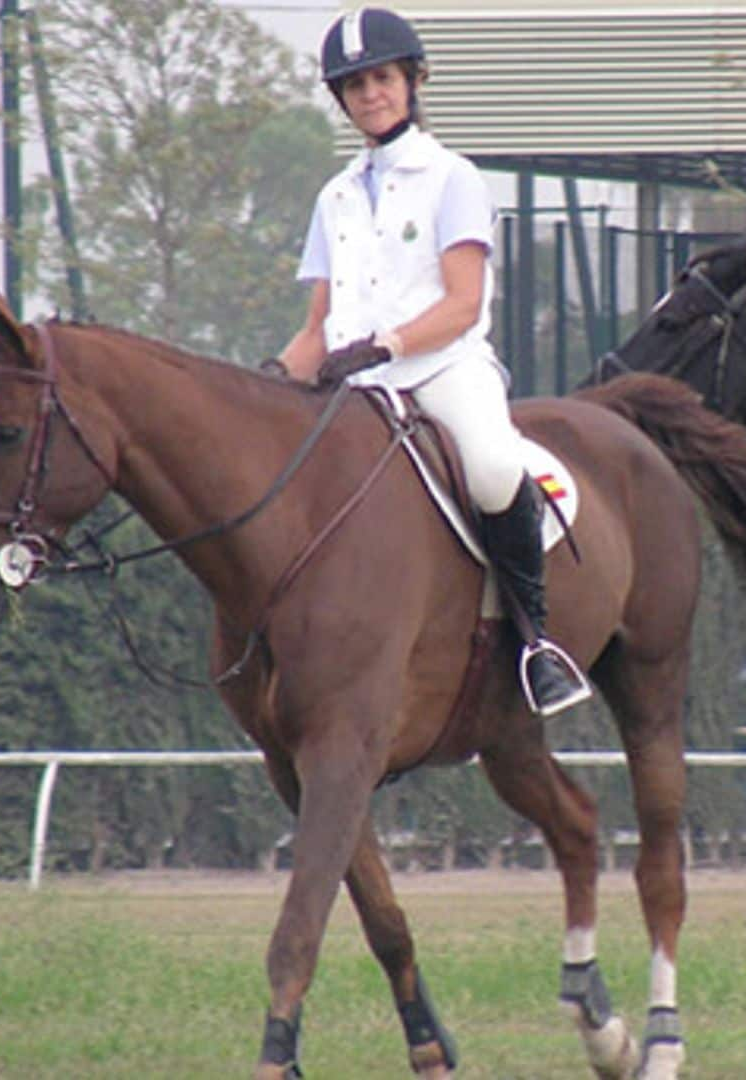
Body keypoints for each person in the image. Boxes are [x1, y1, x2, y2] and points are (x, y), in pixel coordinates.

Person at [273, 6, 592, 716]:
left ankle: (536, 641)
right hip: (356, 385)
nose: (370, 95)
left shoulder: (452, 177)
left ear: (411, 81)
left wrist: (385, 345)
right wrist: (268, 381)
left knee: (491, 466)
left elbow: (462, 301)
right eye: (354, 86)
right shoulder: (334, 198)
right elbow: (317, 327)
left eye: (381, 79)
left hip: (441, 369)